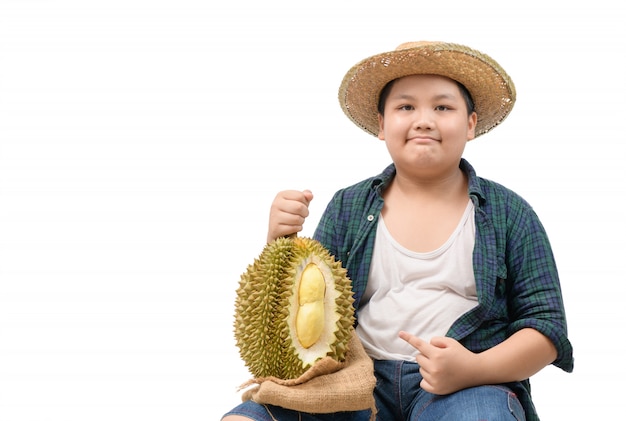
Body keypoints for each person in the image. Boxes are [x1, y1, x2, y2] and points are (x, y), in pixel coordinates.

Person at [222, 41, 574, 421]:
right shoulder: (349, 206)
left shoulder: (509, 213)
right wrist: (279, 240)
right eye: (406, 107)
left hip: (469, 384)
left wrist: (473, 369)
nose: (424, 120)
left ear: (470, 123)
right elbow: (304, 306)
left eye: (442, 107)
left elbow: (546, 328)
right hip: (354, 380)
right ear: (381, 124)